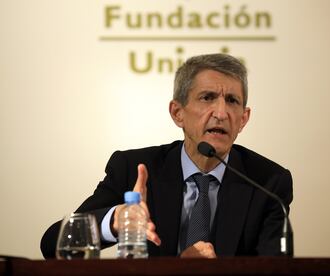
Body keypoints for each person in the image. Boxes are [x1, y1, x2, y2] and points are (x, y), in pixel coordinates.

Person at [40, 53, 293, 258]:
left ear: (243, 119)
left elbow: (275, 270)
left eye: (232, 101)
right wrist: (115, 221)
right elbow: (53, 244)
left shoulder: (268, 183)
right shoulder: (135, 169)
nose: (221, 112)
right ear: (177, 113)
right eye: (207, 98)